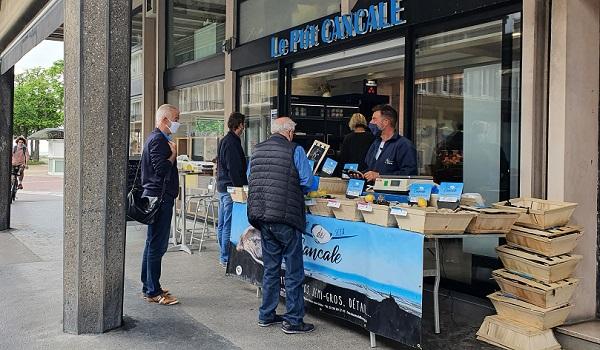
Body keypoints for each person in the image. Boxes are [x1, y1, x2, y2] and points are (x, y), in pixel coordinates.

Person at [247, 117, 315, 334]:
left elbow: (251, 177)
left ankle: (266, 315)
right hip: (287, 218)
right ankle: (294, 320)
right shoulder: (295, 150)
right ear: (289, 132)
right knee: (294, 271)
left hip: (263, 217)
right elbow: (306, 181)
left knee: (271, 268)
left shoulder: (256, 150)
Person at [140, 104, 181, 306]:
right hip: (160, 198)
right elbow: (162, 168)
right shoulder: (158, 140)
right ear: (165, 120)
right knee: (157, 245)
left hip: (158, 196)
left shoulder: (155, 138)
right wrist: (173, 155)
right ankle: (153, 290)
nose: (178, 122)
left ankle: (148, 285)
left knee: (152, 244)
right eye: (176, 118)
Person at [216, 112, 247, 267]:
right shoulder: (232, 142)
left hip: (222, 187)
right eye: (243, 124)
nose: (244, 128)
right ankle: (226, 256)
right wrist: (241, 188)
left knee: (222, 223)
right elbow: (234, 168)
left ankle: (223, 254)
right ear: (239, 125)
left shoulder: (225, 140)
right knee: (227, 223)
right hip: (230, 189)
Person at [363, 105, 417, 181]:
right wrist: (361, 175)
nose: (371, 122)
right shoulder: (376, 143)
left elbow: (409, 173)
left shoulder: (404, 145)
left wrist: (380, 176)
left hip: (391, 192)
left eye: (374, 119)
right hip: (371, 191)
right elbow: (370, 168)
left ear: (385, 122)